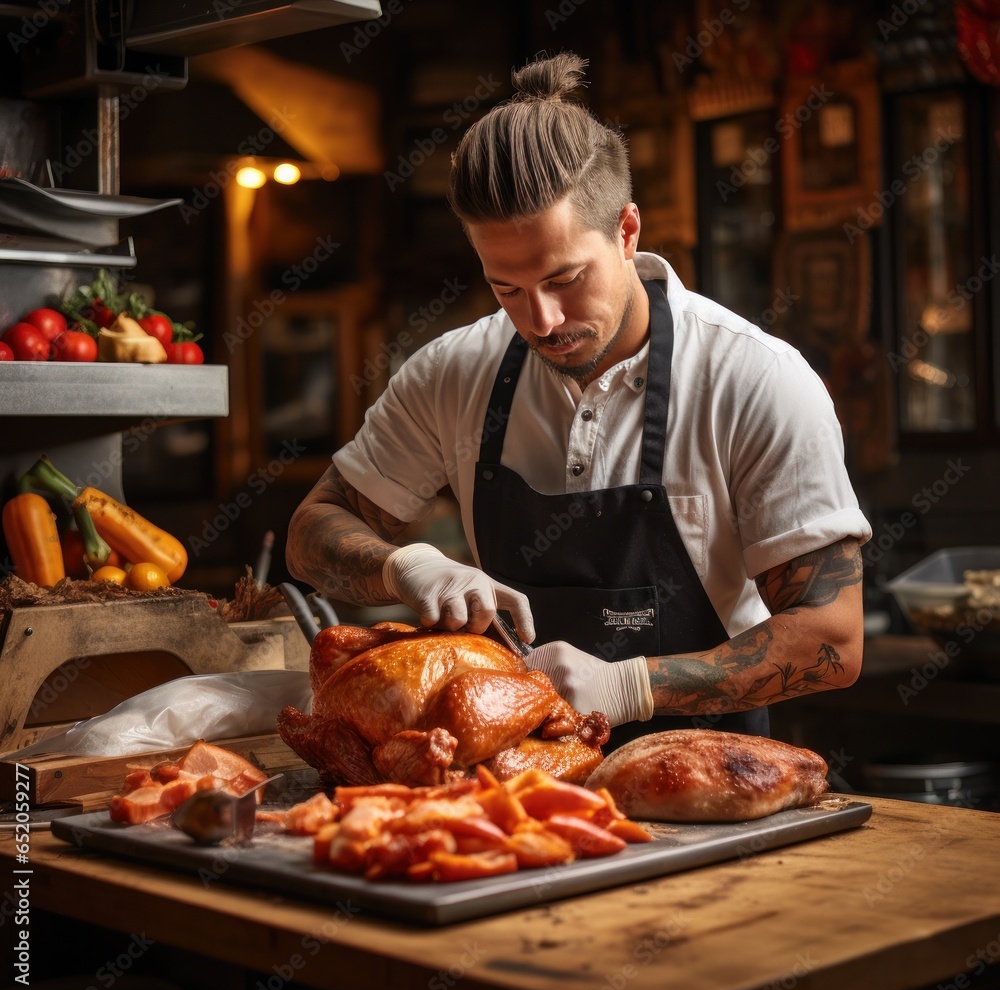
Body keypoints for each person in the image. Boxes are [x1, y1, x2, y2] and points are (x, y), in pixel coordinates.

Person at [286, 52, 873, 749]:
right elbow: (309, 533)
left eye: (565, 279)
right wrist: (405, 565)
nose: (542, 321)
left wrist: (632, 687)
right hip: (512, 782)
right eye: (506, 288)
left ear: (627, 231)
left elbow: (833, 641)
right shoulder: (451, 373)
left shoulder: (752, 380)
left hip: (698, 774)